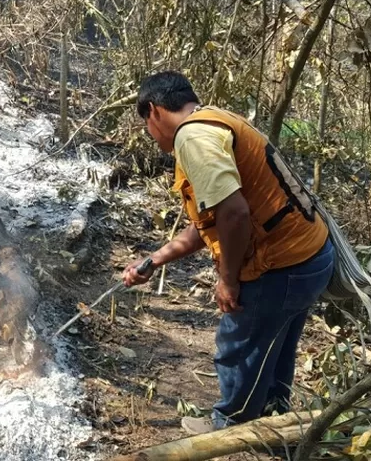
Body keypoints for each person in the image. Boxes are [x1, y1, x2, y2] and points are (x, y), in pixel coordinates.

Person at [122, 71, 335, 434]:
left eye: (146, 123)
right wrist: (155, 259)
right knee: (274, 347)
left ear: (154, 111)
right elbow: (214, 219)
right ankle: (273, 418)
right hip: (310, 256)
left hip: (281, 265)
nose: (150, 134)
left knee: (238, 346)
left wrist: (229, 280)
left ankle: (231, 428)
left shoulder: (192, 137)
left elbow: (234, 213)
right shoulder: (215, 120)